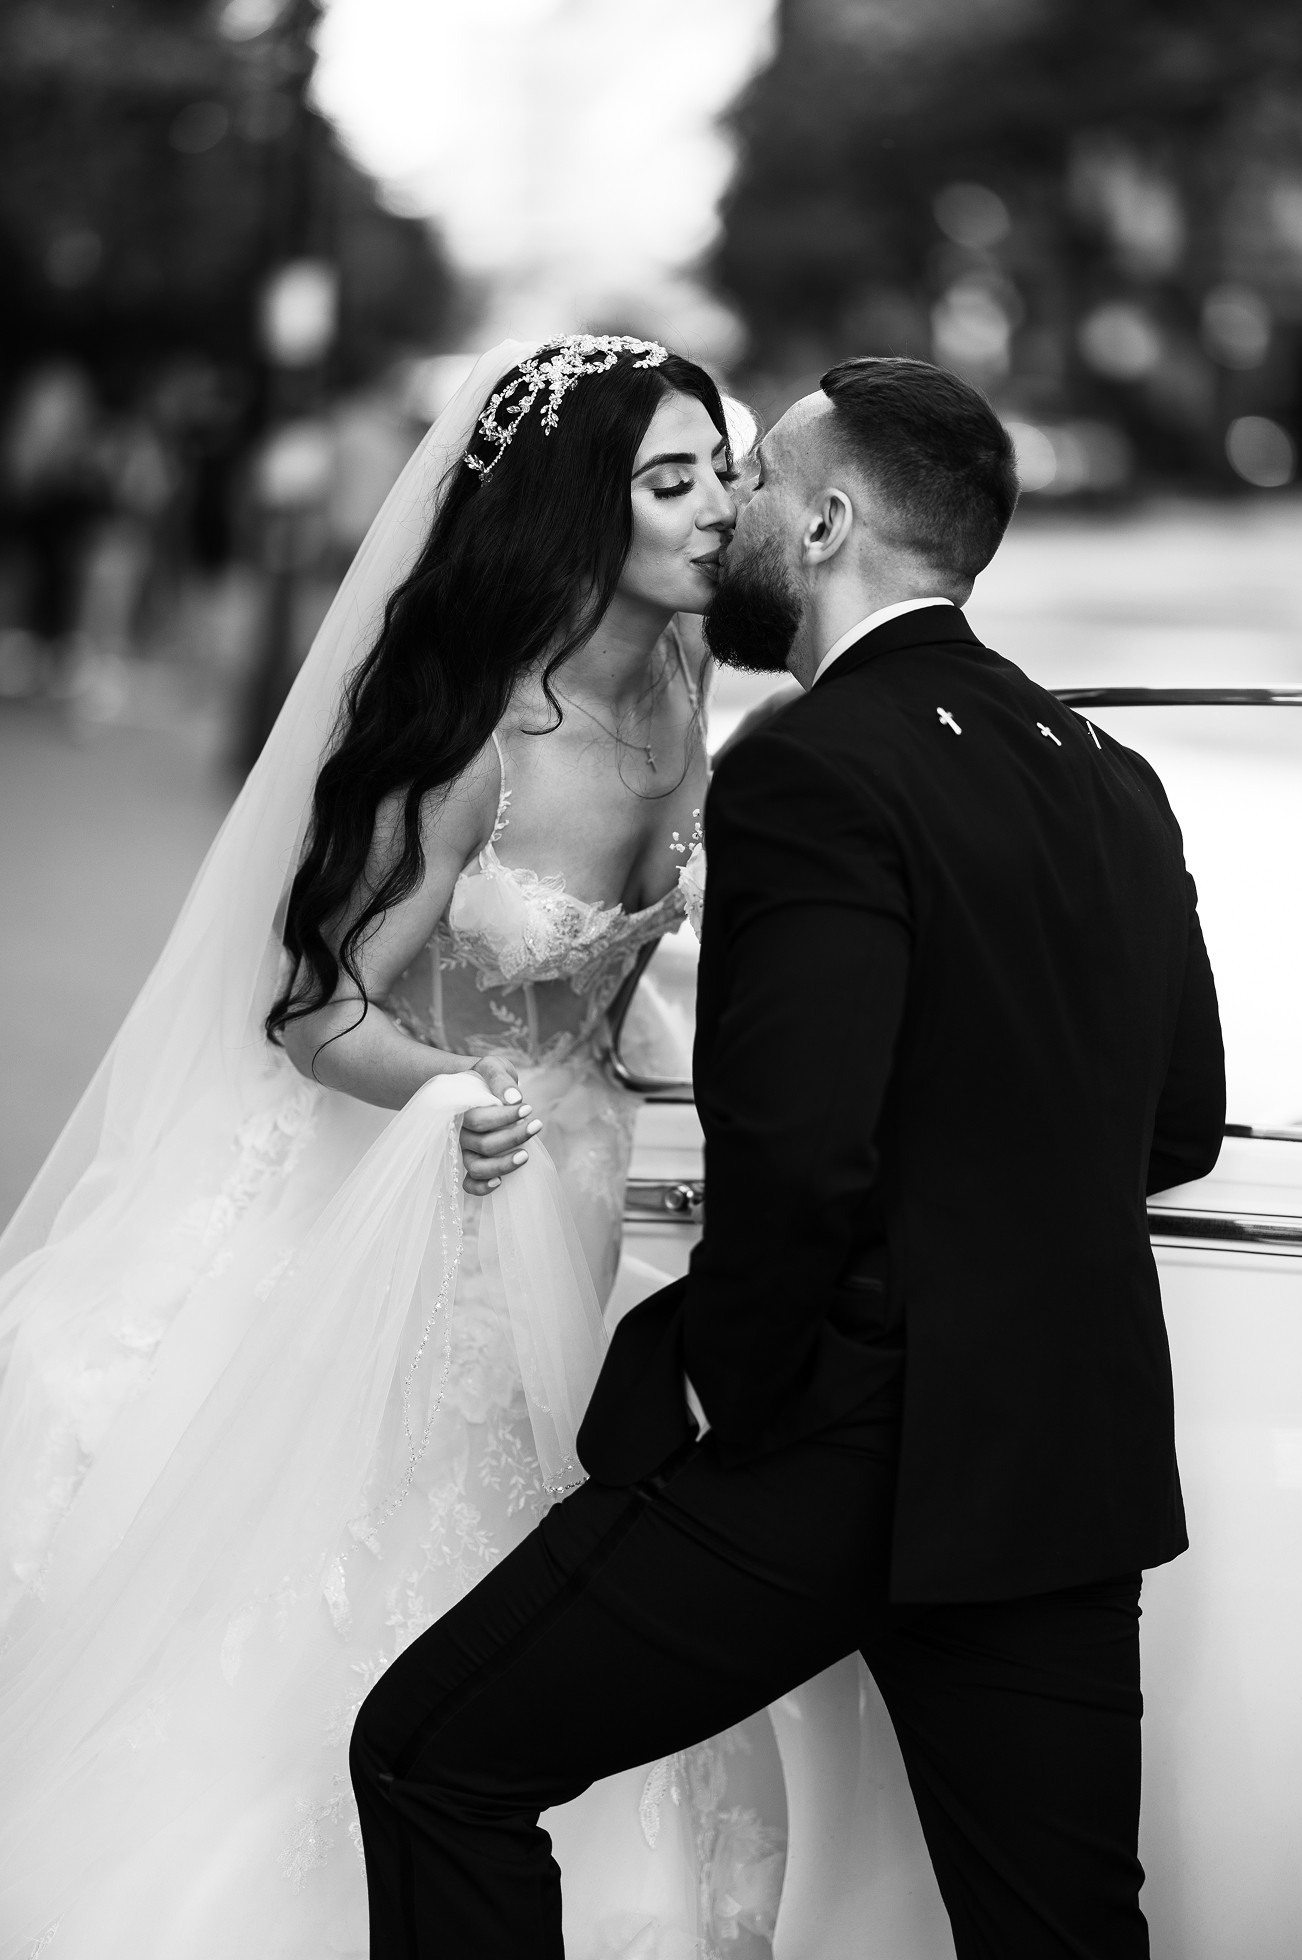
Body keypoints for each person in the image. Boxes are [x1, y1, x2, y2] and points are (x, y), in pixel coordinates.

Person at [350, 355, 1227, 1959]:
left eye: (753, 484)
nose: (726, 509)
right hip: (1058, 1462)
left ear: (822, 523)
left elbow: (799, 1151)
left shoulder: (808, 767)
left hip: (828, 1446)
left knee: (428, 1757)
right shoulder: (1109, 775)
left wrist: (715, 1394)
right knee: (1064, 1931)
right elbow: (1173, 1123)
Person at [0, 338, 866, 1959]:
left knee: (586, 1523)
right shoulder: (480, 727)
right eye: (666, 480)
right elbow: (316, 1010)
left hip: (602, 1184)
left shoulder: (683, 686)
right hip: (449, 1188)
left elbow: (616, 966)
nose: (714, 510)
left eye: (721, 472)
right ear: (567, 509)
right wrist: (450, 1098)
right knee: (426, 1539)